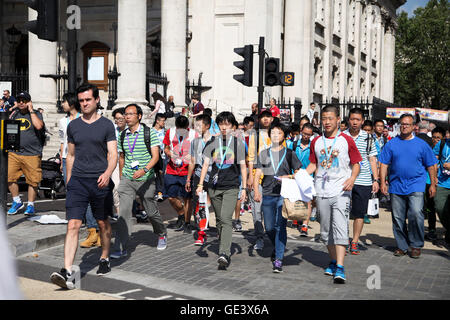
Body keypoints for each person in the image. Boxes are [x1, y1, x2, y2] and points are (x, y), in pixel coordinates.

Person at [50, 83, 117, 289]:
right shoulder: (73, 125)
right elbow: (70, 155)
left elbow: (113, 154)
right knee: (73, 224)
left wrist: (107, 174)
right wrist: (70, 180)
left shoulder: (106, 125)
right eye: (81, 100)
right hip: (78, 181)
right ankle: (67, 270)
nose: (84, 103)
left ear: (97, 100)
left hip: (99, 181)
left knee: (103, 223)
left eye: (88, 100)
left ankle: (104, 257)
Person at [305, 105, 362, 284]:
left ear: (338, 119)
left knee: (339, 227)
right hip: (321, 191)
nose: (327, 122)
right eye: (324, 118)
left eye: (330, 118)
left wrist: (352, 178)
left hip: (341, 191)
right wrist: (299, 177)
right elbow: (314, 165)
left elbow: (357, 163)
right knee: (325, 230)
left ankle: (340, 267)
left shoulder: (346, 140)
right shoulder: (316, 141)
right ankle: (332, 260)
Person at [111, 104, 167, 259]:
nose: (126, 117)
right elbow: (122, 157)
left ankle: (161, 233)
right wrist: (122, 177)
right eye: (125, 114)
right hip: (128, 178)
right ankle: (120, 246)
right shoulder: (122, 135)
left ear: (139, 116)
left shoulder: (149, 133)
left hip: (146, 179)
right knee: (123, 212)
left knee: (150, 212)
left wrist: (144, 170)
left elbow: (156, 157)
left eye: (130, 114)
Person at [379, 114, 437, 259]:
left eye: (407, 124)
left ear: (413, 127)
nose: (404, 126)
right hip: (396, 185)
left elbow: (431, 164)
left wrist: (433, 184)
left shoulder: (421, 144)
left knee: (416, 214)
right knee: (398, 217)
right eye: (402, 124)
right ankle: (402, 245)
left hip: (416, 184)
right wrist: (382, 182)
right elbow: (384, 164)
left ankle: (416, 245)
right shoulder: (391, 144)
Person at [196, 111, 247, 270]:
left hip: (231, 186)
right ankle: (223, 239)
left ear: (233, 126)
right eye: (221, 124)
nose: (224, 128)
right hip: (214, 186)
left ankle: (224, 253)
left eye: (228, 124)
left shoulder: (238, 143)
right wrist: (200, 184)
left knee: (225, 218)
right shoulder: (212, 141)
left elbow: (243, 166)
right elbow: (205, 164)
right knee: (219, 219)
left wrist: (244, 187)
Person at [253, 123, 302, 273]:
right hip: (267, 193)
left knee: (280, 226)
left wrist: (288, 177)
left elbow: (299, 173)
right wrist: (256, 190)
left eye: (279, 133)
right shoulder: (263, 153)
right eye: (273, 133)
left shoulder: (289, 153)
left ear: (284, 136)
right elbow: (257, 174)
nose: (275, 135)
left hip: (284, 194)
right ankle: (277, 245)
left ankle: (279, 259)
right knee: (269, 227)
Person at [344, 108, 379, 255]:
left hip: (363, 180)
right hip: (345, 180)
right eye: (352, 119)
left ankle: (354, 241)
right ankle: (343, 240)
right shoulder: (342, 136)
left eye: (358, 120)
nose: (355, 122)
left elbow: (372, 159)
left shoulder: (369, 138)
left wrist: (375, 179)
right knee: (342, 212)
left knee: (359, 213)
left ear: (362, 121)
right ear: (348, 120)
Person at [7, 91, 45, 216]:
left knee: (33, 181)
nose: (21, 102)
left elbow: (39, 126)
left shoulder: (37, 114)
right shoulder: (14, 114)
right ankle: (17, 201)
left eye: (24, 100)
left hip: (32, 153)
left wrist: (32, 111)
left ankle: (30, 205)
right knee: (9, 176)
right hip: (15, 152)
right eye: (19, 100)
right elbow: (10, 131)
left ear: (29, 102)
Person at [164, 115, 197, 233]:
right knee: (171, 197)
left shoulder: (194, 135)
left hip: (187, 170)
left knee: (187, 197)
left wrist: (192, 156)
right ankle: (181, 213)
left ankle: (187, 222)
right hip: (172, 169)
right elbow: (166, 148)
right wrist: (171, 154)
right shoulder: (170, 132)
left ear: (188, 127)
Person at [247, 110, 274, 250]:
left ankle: (272, 235)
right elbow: (251, 156)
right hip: (257, 175)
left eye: (268, 117)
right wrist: (250, 176)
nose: (265, 119)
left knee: (271, 209)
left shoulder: (276, 133)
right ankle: (259, 237)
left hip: (272, 177)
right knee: (256, 209)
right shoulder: (255, 135)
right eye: (263, 117)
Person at [186, 114, 214, 245]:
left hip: (214, 176)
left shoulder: (216, 141)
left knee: (215, 205)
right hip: (198, 175)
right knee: (198, 205)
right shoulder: (195, 142)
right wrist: (188, 179)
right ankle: (201, 233)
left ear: (207, 126)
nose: (196, 128)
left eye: (199, 125)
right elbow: (192, 161)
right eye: (195, 125)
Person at [287, 123, 315, 236]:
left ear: (312, 134)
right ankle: (296, 218)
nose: (306, 136)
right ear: (301, 131)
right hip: (294, 176)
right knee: (295, 199)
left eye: (308, 134)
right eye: (304, 134)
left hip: (308, 177)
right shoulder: (293, 145)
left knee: (308, 201)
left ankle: (304, 225)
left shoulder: (313, 146)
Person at [425, 127, 446, 241]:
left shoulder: (444, 148)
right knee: (431, 207)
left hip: (441, 183)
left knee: (441, 207)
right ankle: (432, 229)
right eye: (434, 137)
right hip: (429, 181)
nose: (435, 140)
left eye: (438, 138)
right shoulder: (429, 150)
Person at [433, 134, 450, 246]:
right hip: (442, 183)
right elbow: (433, 160)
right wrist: (434, 175)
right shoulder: (443, 143)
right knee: (439, 207)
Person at [153, 113, 167, 202]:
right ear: (157, 121)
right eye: (163, 121)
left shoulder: (165, 131)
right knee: (156, 175)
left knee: (161, 175)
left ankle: (160, 192)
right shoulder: (151, 131)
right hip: (153, 156)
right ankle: (157, 192)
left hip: (163, 156)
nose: (164, 123)